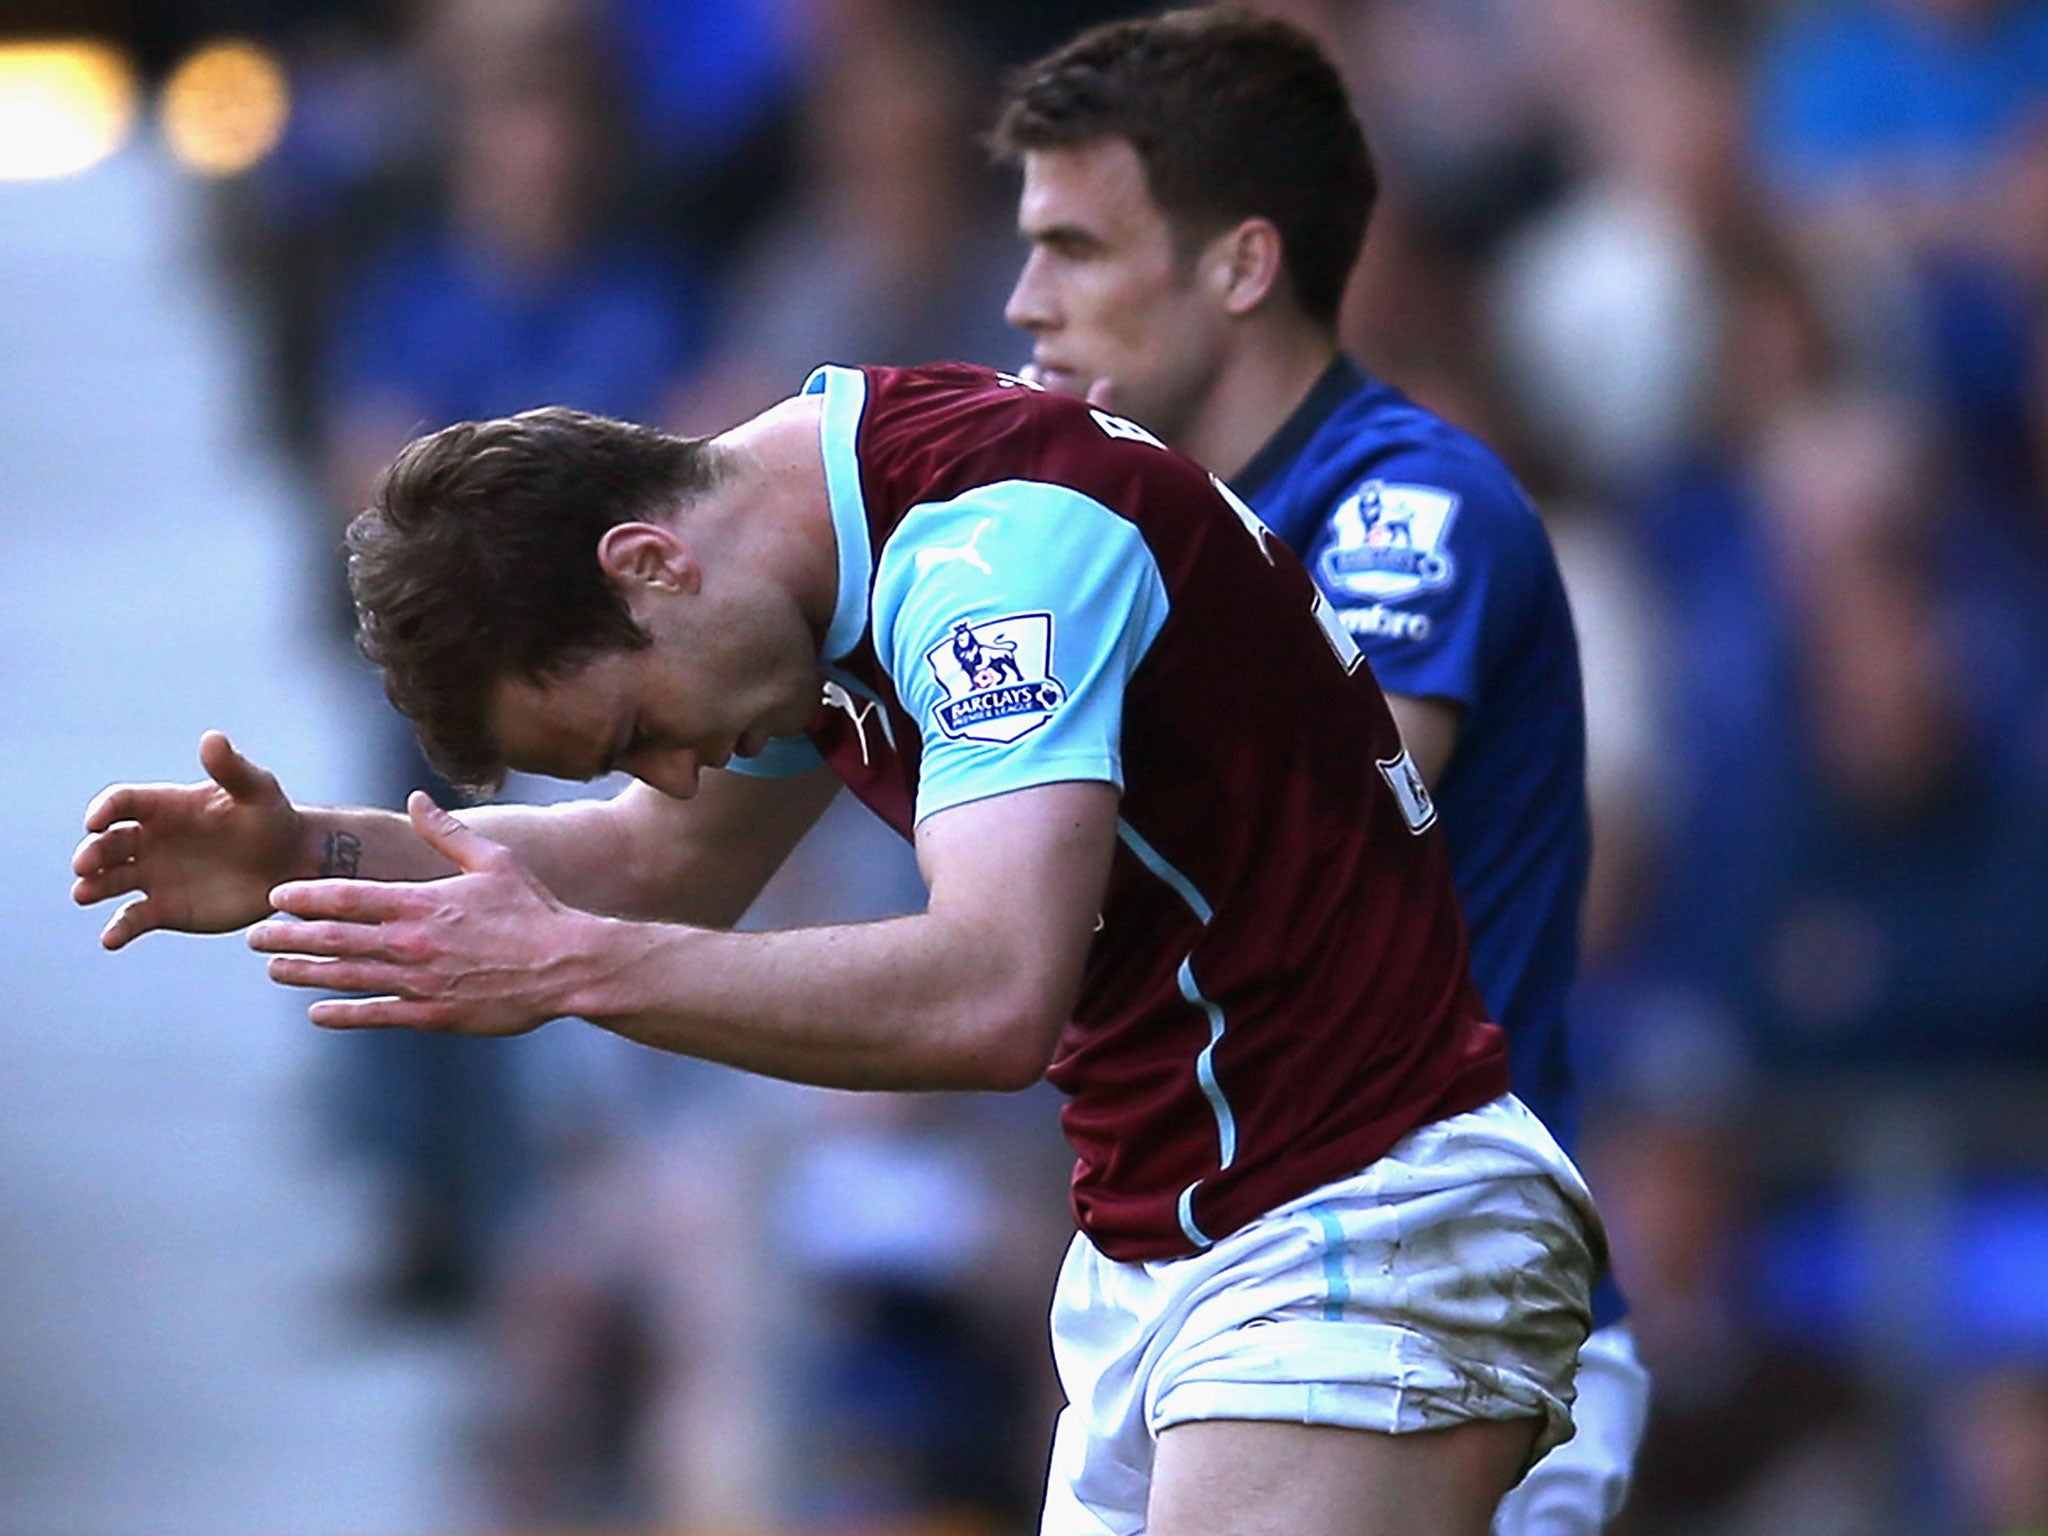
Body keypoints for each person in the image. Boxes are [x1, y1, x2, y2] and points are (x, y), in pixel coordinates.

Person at [72, 361, 1602, 1536]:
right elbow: (651, 864)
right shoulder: (812, 562)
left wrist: (568, 973)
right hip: (1180, 1257)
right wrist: (305, 857)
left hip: (1358, 1217)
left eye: (635, 730)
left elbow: (992, 991)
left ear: (649, 565)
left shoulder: (991, 561)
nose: (671, 771)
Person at [989, 9, 1649, 1533]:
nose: (1026, 301)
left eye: (1079, 247)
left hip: (1411, 1290)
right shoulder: (1139, 537)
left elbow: (1295, 830)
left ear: (1241, 264)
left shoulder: (1408, 511)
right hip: (1219, 1293)